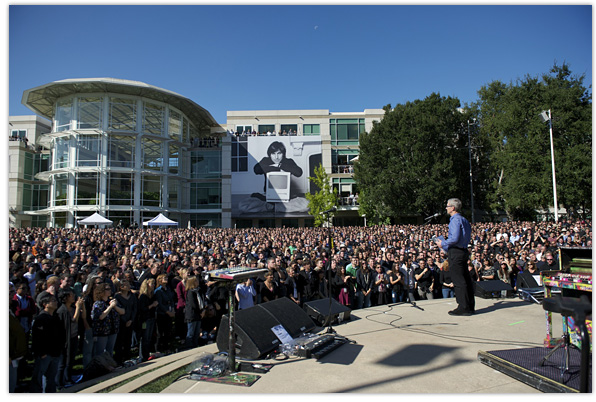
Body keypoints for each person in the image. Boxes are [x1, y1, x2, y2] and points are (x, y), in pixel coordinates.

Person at [238, 141, 309, 214]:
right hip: (268, 197)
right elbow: (256, 170)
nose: (276, 157)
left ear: (283, 154)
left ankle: (272, 207)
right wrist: (274, 167)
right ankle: (278, 207)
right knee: (243, 205)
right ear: (269, 154)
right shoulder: (266, 160)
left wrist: (279, 165)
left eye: (279, 153)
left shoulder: (288, 161)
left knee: (306, 204)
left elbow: (299, 172)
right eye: (273, 154)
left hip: (286, 197)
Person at [435, 198, 474, 316]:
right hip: (462, 251)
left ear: (452, 207)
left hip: (456, 253)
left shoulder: (455, 220)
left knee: (459, 280)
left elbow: (455, 238)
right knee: (465, 279)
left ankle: (463, 307)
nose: (446, 208)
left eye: (447, 206)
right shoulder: (464, 220)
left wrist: (443, 244)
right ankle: (469, 306)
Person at [30, 294, 64, 393]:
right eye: (52, 300)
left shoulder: (55, 317)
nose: (56, 302)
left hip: (55, 353)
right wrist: (42, 353)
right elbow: (37, 338)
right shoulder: (41, 319)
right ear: (45, 304)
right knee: (38, 378)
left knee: (51, 379)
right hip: (45, 354)